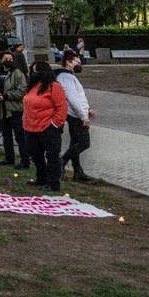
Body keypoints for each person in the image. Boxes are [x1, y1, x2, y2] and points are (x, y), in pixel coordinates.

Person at [22, 61, 67, 192]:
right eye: (32, 71)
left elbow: (62, 107)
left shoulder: (54, 87)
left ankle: (53, 182)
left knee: (52, 155)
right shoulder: (33, 86)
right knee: (35, 154)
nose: (34, 74)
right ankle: (41, 178)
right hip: (30, 127)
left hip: (48, 127)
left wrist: (55, 124)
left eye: (36, 71)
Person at [55, 50, 95, 181]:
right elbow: (72, 98)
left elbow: (78, 97)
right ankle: (62, 161)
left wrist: (87, 109)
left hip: (76, 114)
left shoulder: (68, 76)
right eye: (77, 62)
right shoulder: (65, 77)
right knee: (84, 143)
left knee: (75, 143)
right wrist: (83, 116)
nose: (79, 65)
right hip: (76, 116)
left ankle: (77, 171)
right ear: (68, 62)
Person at [0, 49, 29, 169]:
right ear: (1, 60)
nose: (8, 61)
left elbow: (22, 90)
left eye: (10, 60)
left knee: (20, 136)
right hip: (1, 110)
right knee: (6, 135)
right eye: (6, 59)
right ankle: (9, 158)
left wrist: (7, 96)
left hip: (15, 110)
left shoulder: (17, 74)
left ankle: (25, 160)